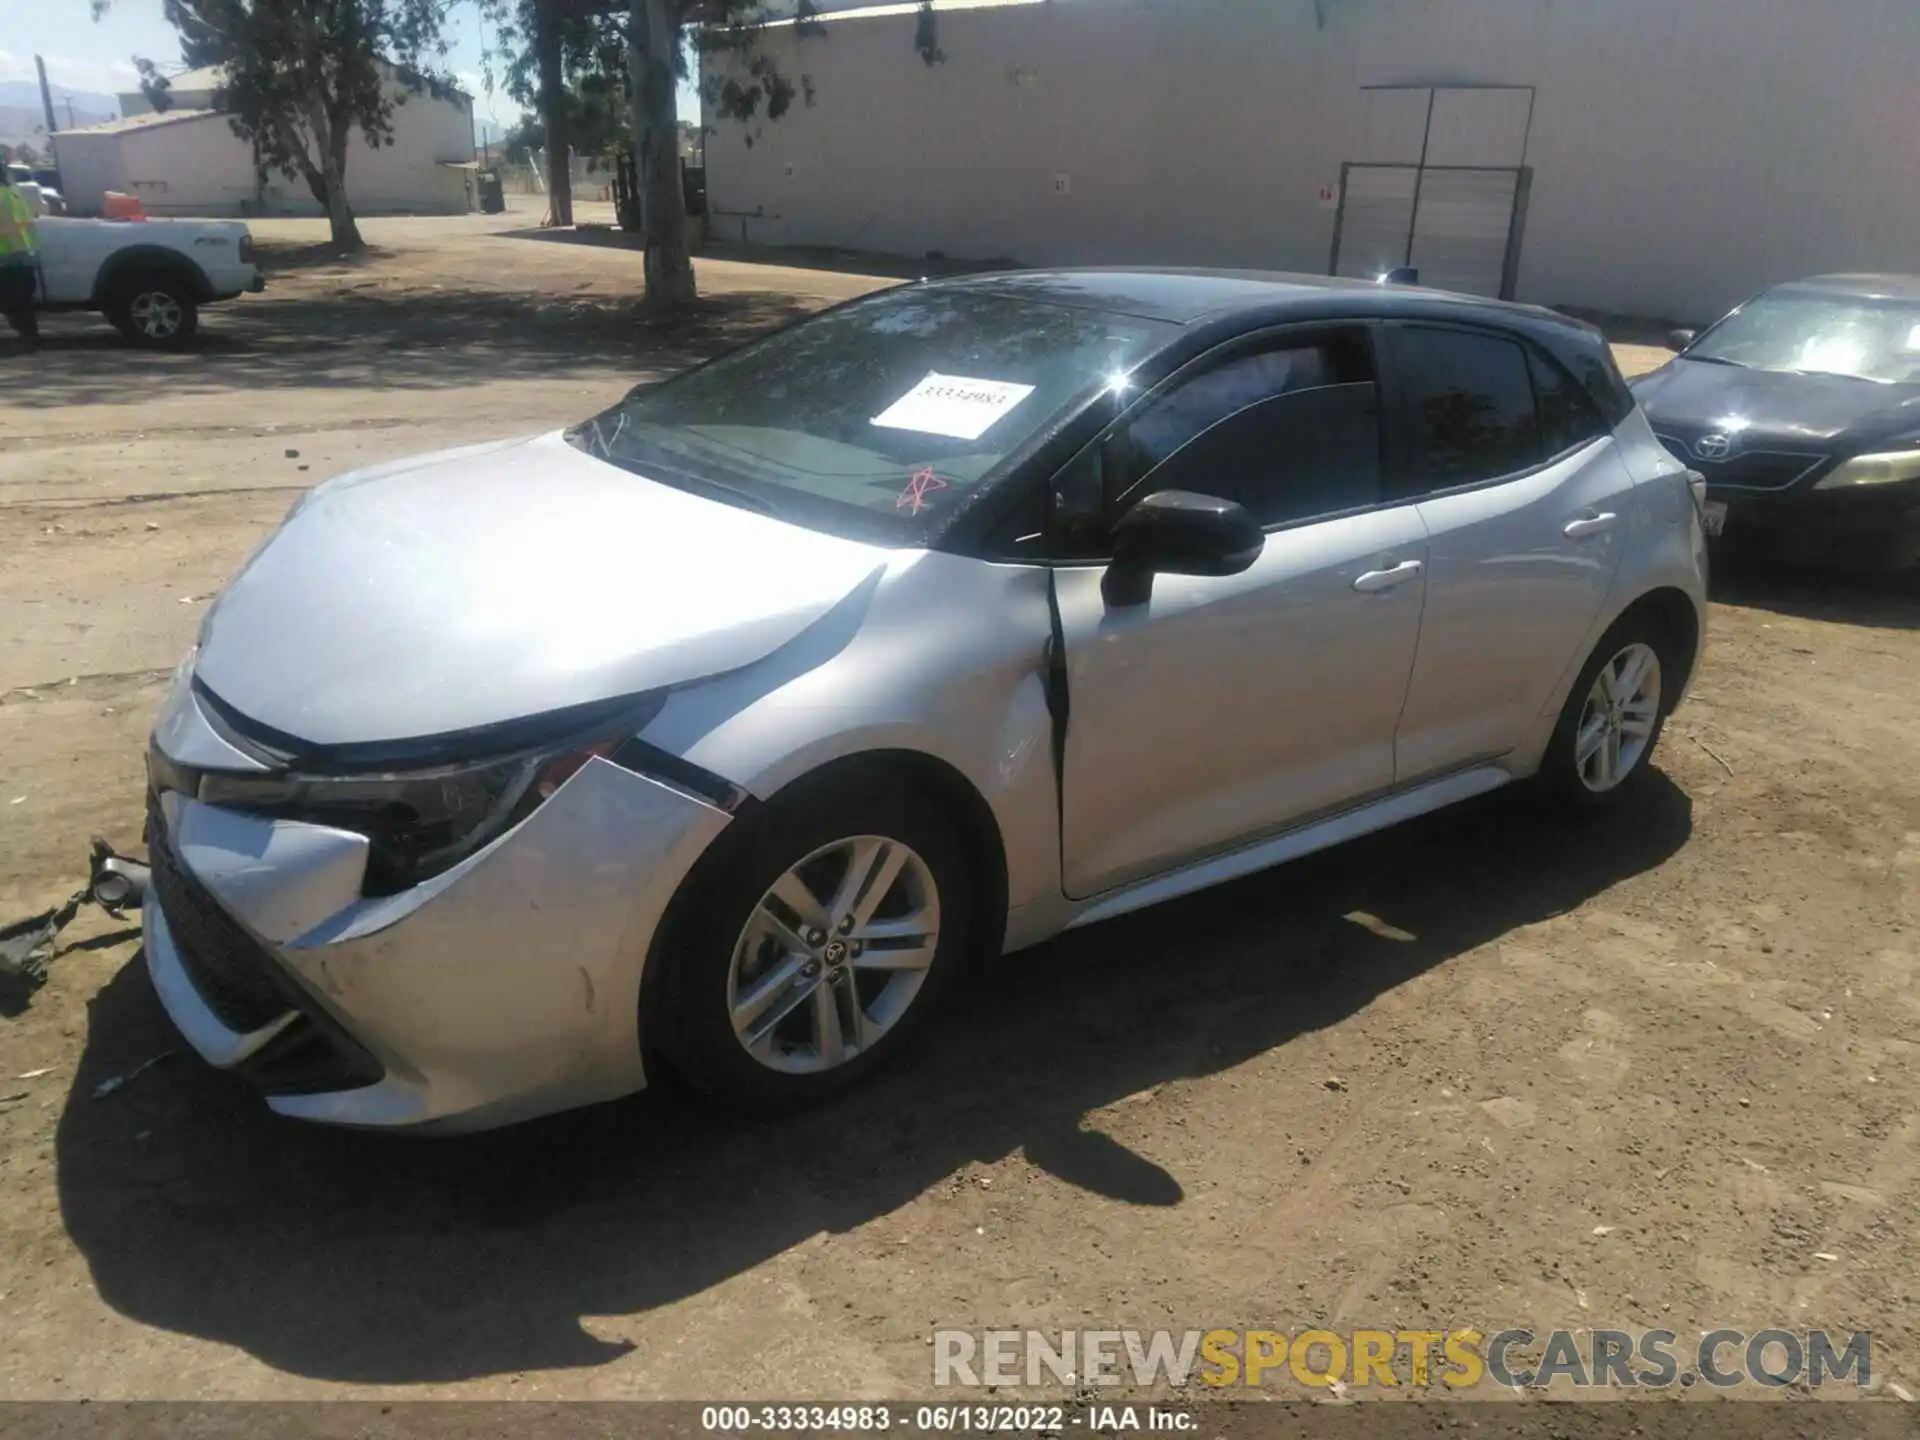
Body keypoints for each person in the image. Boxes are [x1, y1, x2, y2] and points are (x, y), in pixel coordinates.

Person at [0, 168, 42, 348]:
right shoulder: (14, 194)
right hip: (24, 252)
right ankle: (29, 336)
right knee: (21, 301)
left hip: (6, 255)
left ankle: (28, 338)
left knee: (11, 301)